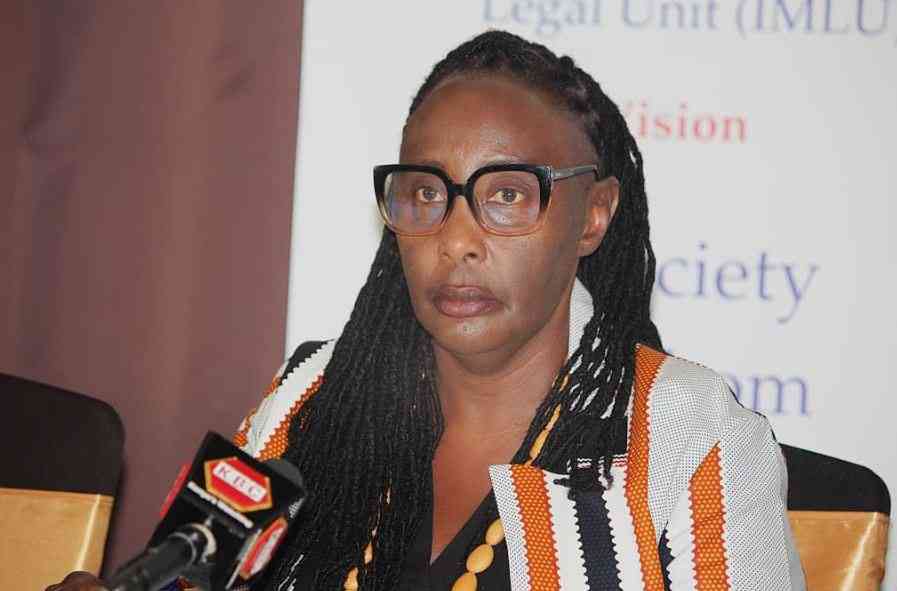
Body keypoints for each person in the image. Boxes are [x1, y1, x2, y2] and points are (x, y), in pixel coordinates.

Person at [49, 30, 805, 591]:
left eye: (506, 194)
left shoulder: (689, 436)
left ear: (593, 216)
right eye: (425, 193)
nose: (456, 238)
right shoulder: (310, 399)